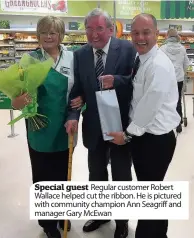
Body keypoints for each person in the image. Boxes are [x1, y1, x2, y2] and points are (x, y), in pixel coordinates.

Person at [108, 13, 181, 238]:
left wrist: (127, 136)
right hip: (147, 138)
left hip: (154, 141)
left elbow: (148, 108)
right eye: (136, 33)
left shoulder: (157, 65)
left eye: (146, 32)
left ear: (157, 34)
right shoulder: (143, 59)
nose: (140, 37)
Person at [66, 8, 136, 238]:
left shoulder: (126, 49)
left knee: (121, 176)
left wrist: (116, 80)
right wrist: (74, 114)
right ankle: (100, 213)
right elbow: (78, 91)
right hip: (94, 127)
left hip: (119, 126)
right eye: (89, 28)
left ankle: (122, 221)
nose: (93, 34)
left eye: (99, 28)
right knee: (96, 174)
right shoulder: (80, 54)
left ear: (109, 29)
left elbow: (137, 83)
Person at [12, 16, 82, 238]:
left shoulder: (72, 58)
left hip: (66, 127)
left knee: (64, 174)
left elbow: (79, 91)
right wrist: (17, 102)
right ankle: (48, 223)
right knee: (42, 176)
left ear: (61, 35)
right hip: (39, 128)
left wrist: (80, 104)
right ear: (38, 35)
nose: (49, 36)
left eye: (53, 32)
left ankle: (62, 214)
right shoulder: (29, 60)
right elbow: (15, 98)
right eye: (44, 32)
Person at [160, 28, 190, 133]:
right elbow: (187, 64)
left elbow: (159, 64)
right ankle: (179, 122)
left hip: (167, 80)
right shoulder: (182, 48)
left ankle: (168, 121)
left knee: (167, 101)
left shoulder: (162, 48)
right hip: (179, 79)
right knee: (177, 100)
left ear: (167, 36)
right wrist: (182, 71)